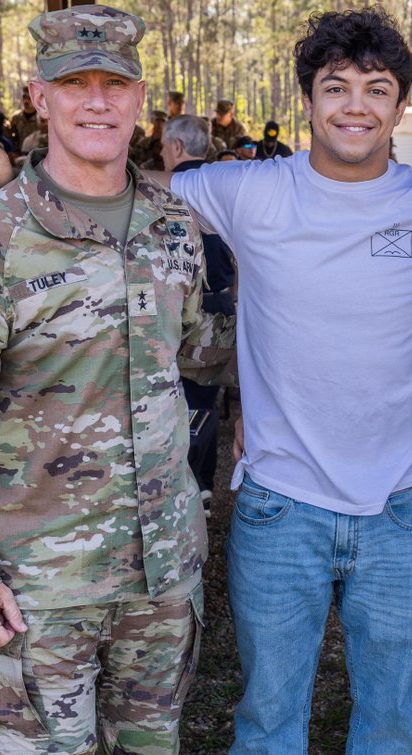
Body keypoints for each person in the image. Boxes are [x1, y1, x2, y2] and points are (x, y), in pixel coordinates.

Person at [0, 10, 412, 755]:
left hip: (402, 510)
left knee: (392, 718)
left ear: (402, 106)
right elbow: (113, 186)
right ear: (308, 99)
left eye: (378, 89)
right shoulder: (247, 190)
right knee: (269, 714)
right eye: (335, 87)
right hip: (279, 507)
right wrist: (10, 184)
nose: (355, 106)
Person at [0, 7, 235, 755]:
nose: (98, 102)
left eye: (115, 84)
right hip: (41, 586)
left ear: (140, 98)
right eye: (77, 84)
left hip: (161, 582)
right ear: (40, 99)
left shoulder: (174, 225)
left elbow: (206, 355)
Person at [161, 113, 238, 516]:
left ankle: (185, 486)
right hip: (222, 307)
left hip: (182, 313)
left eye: (162, 146)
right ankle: (203, 486)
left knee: (175, 401)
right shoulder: (224, 188)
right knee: (205, 402)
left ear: (176, 147)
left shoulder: (165, 192)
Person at [8, 86, 41, 155]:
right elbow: (12, 137)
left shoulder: (41, 117)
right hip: (20, 154)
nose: (26, 101)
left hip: (37, 153)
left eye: (29, 98)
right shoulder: (16, 118)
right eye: (24, 98)